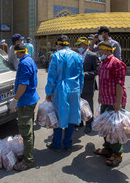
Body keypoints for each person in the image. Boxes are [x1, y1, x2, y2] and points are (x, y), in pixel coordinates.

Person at [45, 35, 84, 152]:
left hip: (61, 90)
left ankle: (56, 144)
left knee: (58, 116)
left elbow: (52, 76)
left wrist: (48, 92)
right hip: (74, 89)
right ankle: (67, 143)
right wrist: (80, 90)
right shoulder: (77, 56)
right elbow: (81, 76)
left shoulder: (56, 55)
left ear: (58, 44)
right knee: (72, 116)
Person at [93, 41, 127, 167]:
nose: (99, 52)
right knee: (105, 127)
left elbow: (119, 84)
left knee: (115, 129)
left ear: (108, 50)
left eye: (101, 50)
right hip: (105, 101)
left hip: (114, 102)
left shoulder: (116, 63)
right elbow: (102, 81)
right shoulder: (102, 63)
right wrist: (100, 95)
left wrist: (118, 102)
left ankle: (117, 153)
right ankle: (108, 149)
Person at [9, 43, 40, 171]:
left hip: (26, 101)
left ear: (18, 53)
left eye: (16, 53)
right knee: (30, 128)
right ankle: (29, 152)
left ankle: (28, 160)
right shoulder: (30, 60)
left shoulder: (23, 63)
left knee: (25, 132)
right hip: (31, 98)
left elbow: (24, 84)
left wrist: (15, 99)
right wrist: (15, 90)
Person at [75, 37, 100, 134]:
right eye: (77, 45)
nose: (78, 47)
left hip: (88, 84)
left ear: (86, 45)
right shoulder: (77, 55)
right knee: (78, 104)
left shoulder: (92, 55)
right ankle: (80, 121)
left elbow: (97, 70)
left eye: (80, 45)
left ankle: (89, 124)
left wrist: (86, 74)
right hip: (77, 85)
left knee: (88, 105)